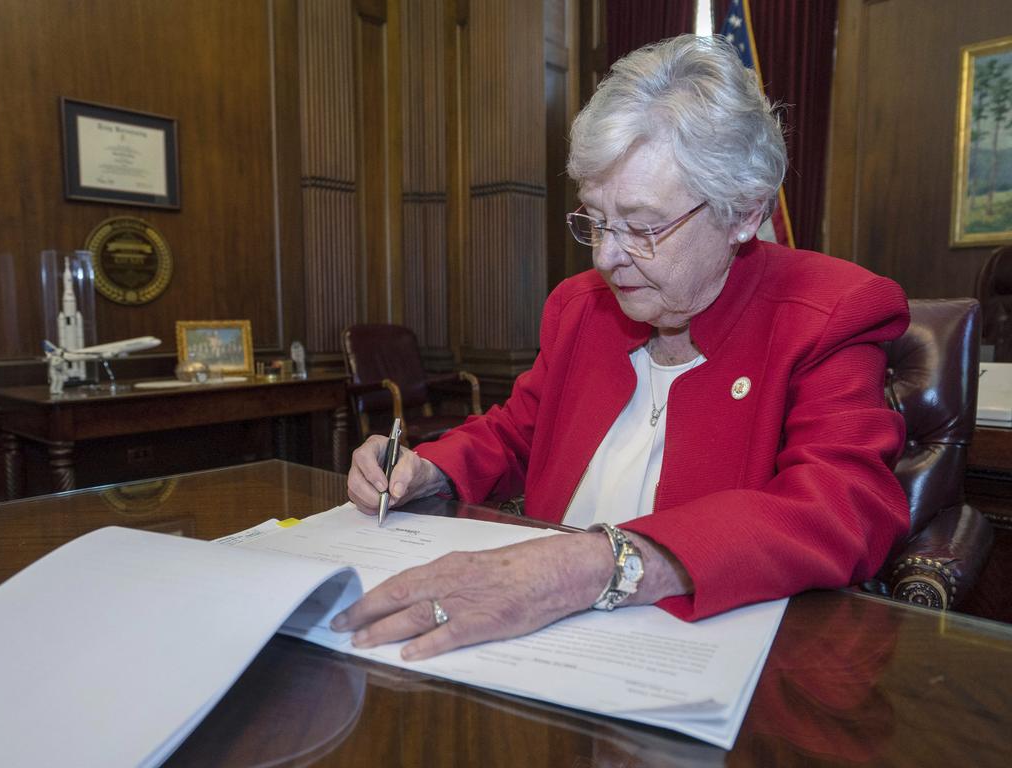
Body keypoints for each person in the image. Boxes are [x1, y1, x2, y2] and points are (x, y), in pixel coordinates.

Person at [333, 35, 910, 661]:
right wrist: (428, 470)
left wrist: (591, 563)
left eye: (641, 226)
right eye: (595, 220)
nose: (608, 257)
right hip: (543, 646)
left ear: (743, 212)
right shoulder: (581, 307)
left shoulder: (831, 313)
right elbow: (519, 433)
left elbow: (844, 510)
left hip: (710, 659)